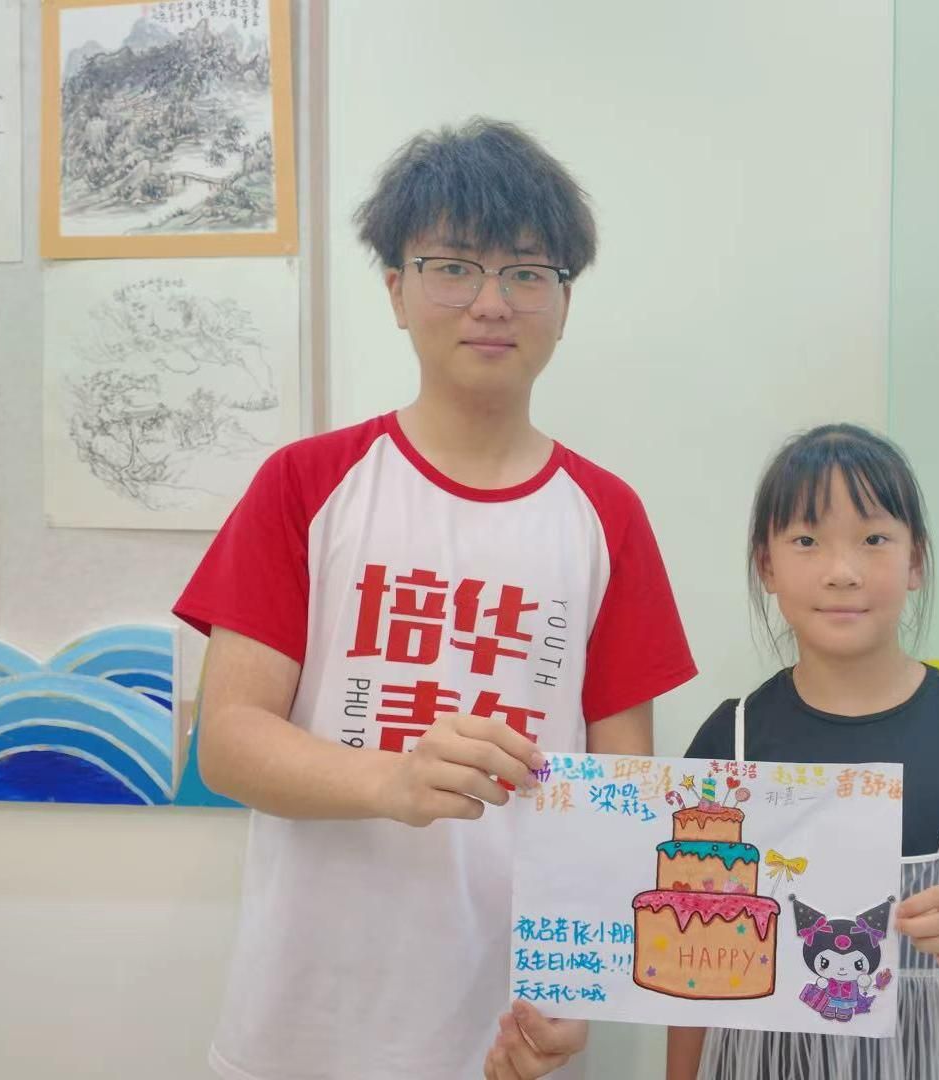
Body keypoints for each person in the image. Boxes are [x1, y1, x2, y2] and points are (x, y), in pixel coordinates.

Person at [174, 118, 696, 1080]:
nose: (491, 303)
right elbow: (230, 741)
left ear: (564, 302)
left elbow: (619, 799)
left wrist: (578, 997)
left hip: (507, 1034)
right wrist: (393, 781)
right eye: (454, 267)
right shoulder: (306, 484)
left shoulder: (607, 517)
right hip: (302, 1026)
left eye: (527, 273)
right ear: (395, 290)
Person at [667, 424, 939, 1080]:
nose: (842, 572)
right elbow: (691, 980)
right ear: (766, 565)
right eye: (806, 541)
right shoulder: (728, 741)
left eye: (874, 539)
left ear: (916, 563)